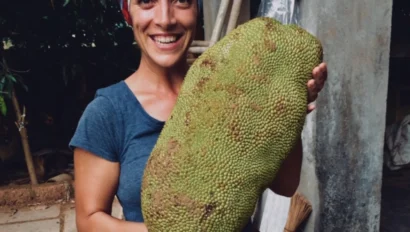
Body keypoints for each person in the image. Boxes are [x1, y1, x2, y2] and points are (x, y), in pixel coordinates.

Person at [70, 0, 328, 232]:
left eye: (181, 1)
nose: (165, 19)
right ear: (128, 13)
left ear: (197, 11)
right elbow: (89, 220)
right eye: (146, 2)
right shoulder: (107, 112)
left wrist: (289, 111)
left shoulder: (236, 87)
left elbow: (285, 187)